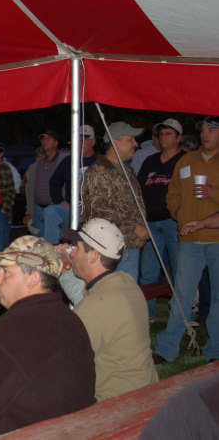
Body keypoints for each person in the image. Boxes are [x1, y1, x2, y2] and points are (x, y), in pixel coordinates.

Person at [0, 236, 95, 439]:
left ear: (33, 279)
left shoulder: (4, 335)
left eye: (6, 272)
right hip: (78, 431)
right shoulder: (72, 321)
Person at [64, 218, 158, 400]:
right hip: (145, 389)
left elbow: (67, 364)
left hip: (116, 402)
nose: (72, 252)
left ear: (94, 255)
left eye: (77, 248)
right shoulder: (126, 282)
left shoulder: (92, 309)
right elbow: (94, 299)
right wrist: (66, 272)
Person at [154, 115, 219, 364]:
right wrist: (179, 213)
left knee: (218, 299)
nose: (206, 134)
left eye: (212, 129)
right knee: (181, 296)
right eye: (203, 129)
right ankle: (167, 349)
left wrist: (213, 192)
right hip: (190, 240)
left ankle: (215, 350)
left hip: (217, 239)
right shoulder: (186, 161)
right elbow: (172, 194)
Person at [81, 121, 149, 281]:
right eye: (130, 139)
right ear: (115, 142)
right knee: (111, 291)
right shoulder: (98, 171)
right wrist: (134, 226)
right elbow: (99, 211)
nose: (135, 144)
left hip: (130, 246)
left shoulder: (128, 171)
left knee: (127, 292)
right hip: (109, 249)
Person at [137, 118, 185, 320]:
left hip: (173, 222)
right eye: (161, 134)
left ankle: (180, 314)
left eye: (169, 134)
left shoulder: (185, 160)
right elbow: (139, 189)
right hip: (150, 223)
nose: (163, 137)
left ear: (179, 138)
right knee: (148, 271)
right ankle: (147, 314)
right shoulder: (150, 161)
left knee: (179, 270)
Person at [42, 125, 98, 244]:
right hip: (73, 211)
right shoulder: (69, 161)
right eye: (78, 139)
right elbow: (54, 183)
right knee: (51, 211)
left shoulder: (100, 161)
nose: (80, 143)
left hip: (95, 213)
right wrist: (60, 201)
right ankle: (51, 249)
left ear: (93, 142)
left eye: (84, 139)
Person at [23, 130, 68, 237]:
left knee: (54, 243)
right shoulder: (37, 165)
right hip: (38, 210)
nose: (44, 141)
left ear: (56, 143)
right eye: (43, 139)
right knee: (39, 244)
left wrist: (68, 201)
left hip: (55, 210)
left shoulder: (65, 160)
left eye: (48, 139)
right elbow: (30, 190)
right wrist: (29, 212)